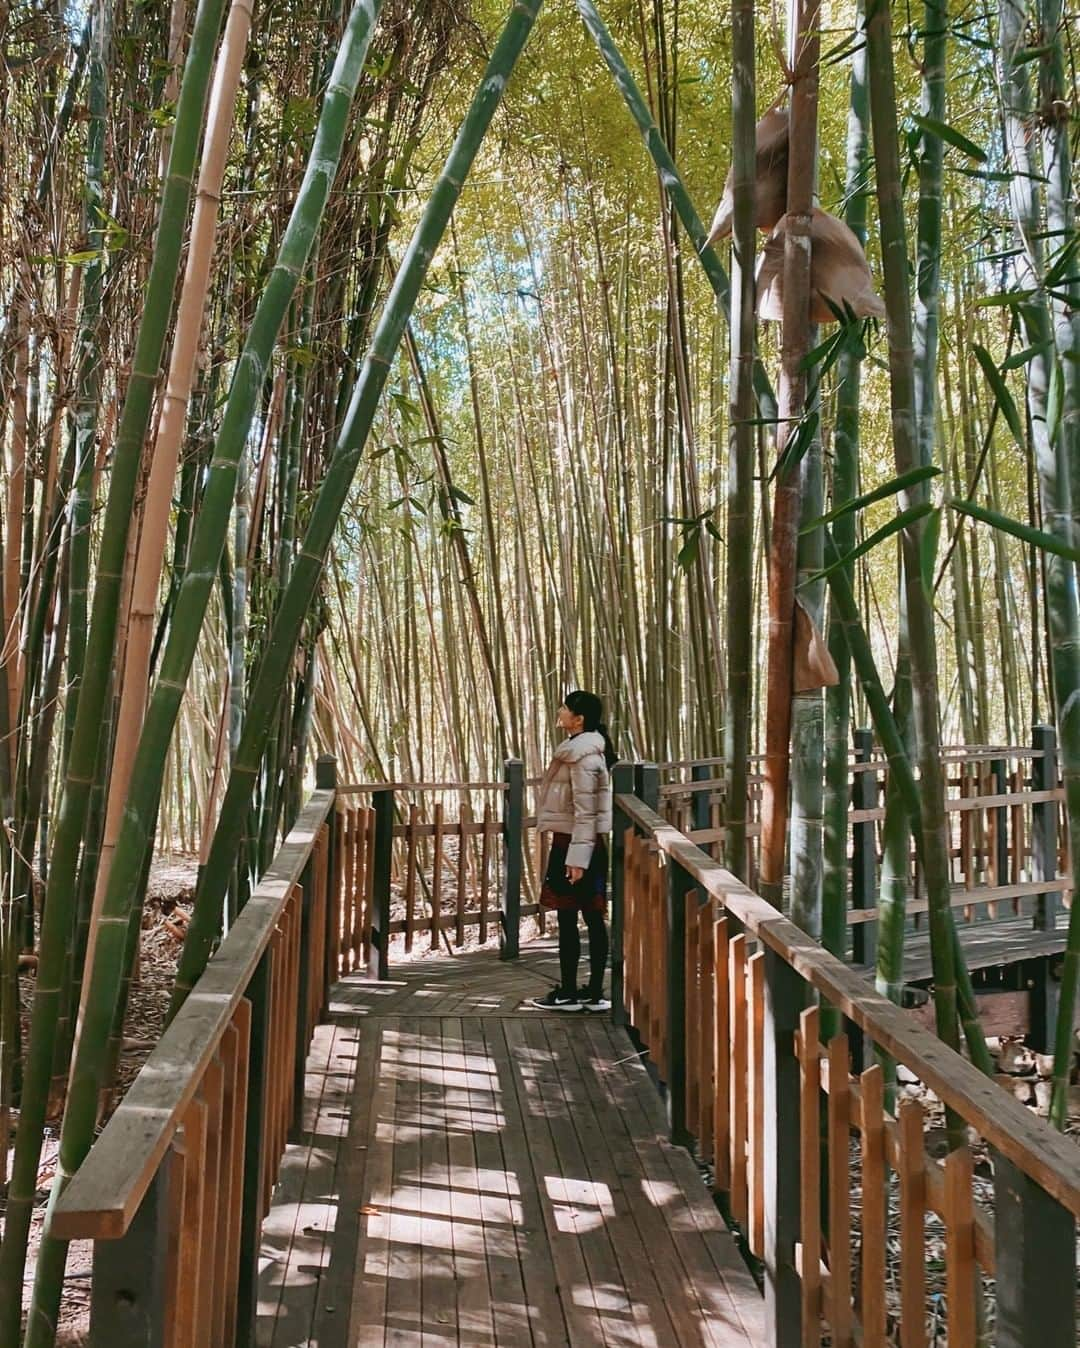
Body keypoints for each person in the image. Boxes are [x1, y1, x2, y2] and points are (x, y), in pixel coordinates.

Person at [529, 690, 616, 1012]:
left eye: (565, 708)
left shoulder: (583, 757)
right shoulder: (583, 752)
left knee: (572, 917)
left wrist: (577, 860)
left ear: (578, 719)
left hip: (576, 844)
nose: (560, 710)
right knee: (591, 917)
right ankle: (592, 994)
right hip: (582, 843)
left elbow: (586, 812)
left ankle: (569, 993)